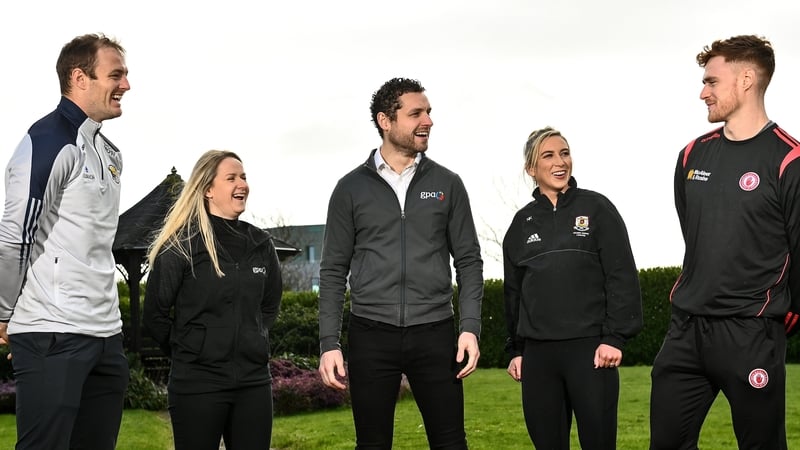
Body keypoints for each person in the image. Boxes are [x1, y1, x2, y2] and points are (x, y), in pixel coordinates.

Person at [649, 34, 800, 449]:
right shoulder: (691, 156)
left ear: (746, 79)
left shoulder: (789, 160)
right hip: (686, 330)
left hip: (751, 332)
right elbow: (695, 233)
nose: (703, 92)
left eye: (712, 81)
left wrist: (780, 313)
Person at [317, 77, 484, 449]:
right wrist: (329, 342)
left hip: (435, 331)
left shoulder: (448, 184)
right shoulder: (350, 189)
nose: (428, 121)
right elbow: (332, 271)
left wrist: (470, 328)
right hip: (370, 334)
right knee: (372, 444)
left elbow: (469, 261)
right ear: (385, 121)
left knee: (451, 442)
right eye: (416, 113)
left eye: (428, 112)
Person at [0, 33, 130, 449]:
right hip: (52, 333)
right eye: (116, 75)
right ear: (79, 78)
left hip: (106, 334)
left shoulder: (110, 153)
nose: (126, 85)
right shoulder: (47, 140)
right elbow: (14, 236)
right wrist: (4, 312)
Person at [502, 126, 643, 449]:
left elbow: (621, 275)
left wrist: (614, 338)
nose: (560, 162)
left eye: (564, 153)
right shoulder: (521, 223)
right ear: (531, 168)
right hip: (539, 357)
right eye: (548, 155)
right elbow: (514, 293)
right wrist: (516, 350)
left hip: (590, 353)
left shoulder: (597, 208)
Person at [143, 150, 283, 450]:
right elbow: (154, 314)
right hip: (197, 384)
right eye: (231, 178)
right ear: (208, 189)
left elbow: (270, 305)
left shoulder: (261, 244)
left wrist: (252, 336)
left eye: (243, 177)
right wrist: (192, 347)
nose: (242, 184)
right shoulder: (181, 245)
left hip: (253, 382)